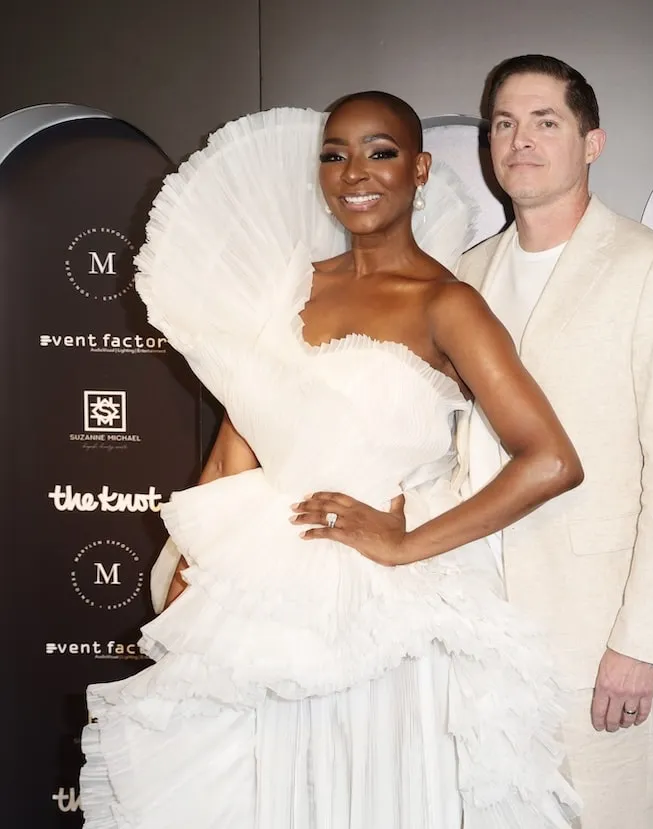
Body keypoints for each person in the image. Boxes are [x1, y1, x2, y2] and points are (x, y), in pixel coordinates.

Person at [80, 92, 584, 829]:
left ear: (419, 168)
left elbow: (552, 460)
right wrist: (191, 561)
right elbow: (235, 446)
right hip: (258, 593)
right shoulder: (290, 285)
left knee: (375, 792)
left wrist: (406, 541)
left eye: (380, 152)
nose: (355, 172)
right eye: (334, 153)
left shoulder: (449, 304)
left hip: (378, 611)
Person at [455, 55, 653, 829]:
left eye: (545, 122)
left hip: (592, 631)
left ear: (591, 142)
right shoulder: (465, 274)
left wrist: (639, 638)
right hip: (478, 626)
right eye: (504, 123)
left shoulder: (650, 265)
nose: (520, 140)